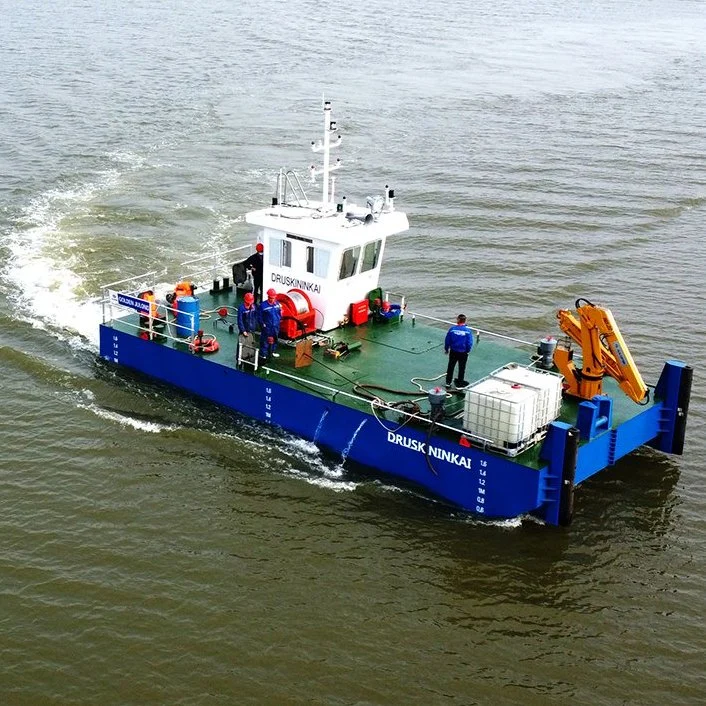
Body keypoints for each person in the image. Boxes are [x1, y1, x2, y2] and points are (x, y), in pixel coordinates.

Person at [445, 314, 474, 388]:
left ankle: (448, 382)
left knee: (451, 367)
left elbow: (447, 340)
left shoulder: (452, 329)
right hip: (463, 352)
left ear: (458, 320)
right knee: (462, 368)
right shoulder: (468, 331)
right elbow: (469, 343)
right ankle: (460, 384)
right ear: (465, 320)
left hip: (453, 351)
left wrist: (446, 349)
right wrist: (467, 350)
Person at [259, 288, 282, 360]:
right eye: (271, 298)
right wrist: (263, 324)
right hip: (267, 327)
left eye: (273, 298)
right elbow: (259, 316)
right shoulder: (263, 305)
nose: (272, 299)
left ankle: (272, 352)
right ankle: (263, 355)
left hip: (275, 326)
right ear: (268, 297)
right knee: (265, 341)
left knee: (275, 339)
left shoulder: (277, 304)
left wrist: (278, 320)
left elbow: (279, 313)